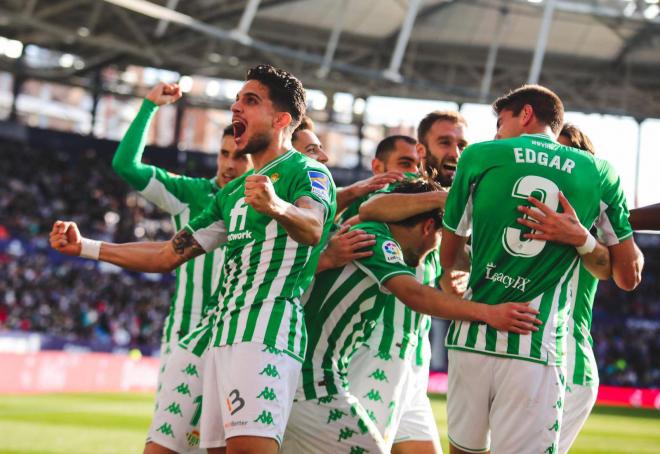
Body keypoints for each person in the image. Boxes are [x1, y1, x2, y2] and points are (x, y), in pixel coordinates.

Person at [51, 64, 336, 454]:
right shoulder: (229, 193)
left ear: (282, 119)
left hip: (265, 329)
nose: (237, 108)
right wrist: (87, 246)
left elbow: (313, 225)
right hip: (215, 335)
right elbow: (168, 254)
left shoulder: (307, 171)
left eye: (250, 101)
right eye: (237, 100)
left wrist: (277, 207)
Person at [440, 85, 643, 454]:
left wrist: (487, 259)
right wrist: (583, 238)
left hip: (471, 340)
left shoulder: (481, 155)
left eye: (501, 123)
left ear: (526, 114)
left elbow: (448, 257)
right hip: (537, 347)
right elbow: (628, 277)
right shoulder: (599, 173)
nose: (497, 133)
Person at [280, 179, 541, 454]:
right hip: (311, 383)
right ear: (429, 228)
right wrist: (490, 314)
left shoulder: (369, 230)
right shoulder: (375, 238)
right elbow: (415, 295)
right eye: (440, 236)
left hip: (311, 377)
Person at [110, 81, 253, 453]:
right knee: (172, 444)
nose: (229, 164)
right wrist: (148, 107)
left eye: (239, 156)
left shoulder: (264, 204)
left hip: (237, 340)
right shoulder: (190, 194)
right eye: (224, 154)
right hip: (184, 334)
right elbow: (126, 165)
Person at [511, 123, 645, 454]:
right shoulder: (515, 213)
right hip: (513, 357)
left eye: (564, 154)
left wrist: (592, 231)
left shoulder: (600, 226)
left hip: (567, 364)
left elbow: (631, 274)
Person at [348, 110, 470, 454]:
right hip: (370, 355)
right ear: (422, 149)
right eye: (444, 142)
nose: (455, 153)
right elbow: (369, 212)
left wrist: (451, 278)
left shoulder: (454, 211)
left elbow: (442, 278)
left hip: (413, 361)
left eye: (462, 144)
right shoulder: (394, 197)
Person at [336, 135, 420, 224]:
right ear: (377, 167)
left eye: (420, 167)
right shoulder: (356, 196)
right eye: (405, 164)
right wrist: (351, 193)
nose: (416, 172)